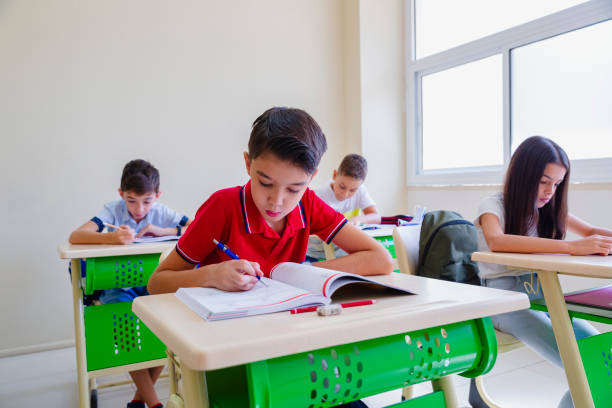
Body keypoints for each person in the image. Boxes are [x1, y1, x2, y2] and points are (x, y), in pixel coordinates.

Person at [471, 135, 612, 408]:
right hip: (505, 305)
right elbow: (497, 241)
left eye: (557, 184)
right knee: (584, 366)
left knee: (601, 355)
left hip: (544, 299)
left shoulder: (547, 209)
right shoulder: (493, 205)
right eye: (544, 181)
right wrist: (571, 247)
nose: (550, 191)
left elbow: (591, 231)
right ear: (523, 175)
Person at [70, 159, 191, 408]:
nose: (139, 209)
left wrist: (161, 231)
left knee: (164, 330)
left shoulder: (162, 212)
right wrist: (113, 237)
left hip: (153, 283)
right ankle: (154, 403)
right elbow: (76, 236)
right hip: (118, 287)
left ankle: (138, 400)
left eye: (147, 201)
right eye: (131, 200)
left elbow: (195, 228)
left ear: (157, 196)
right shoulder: (112, 210)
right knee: (127, 333)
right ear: (121, 194)